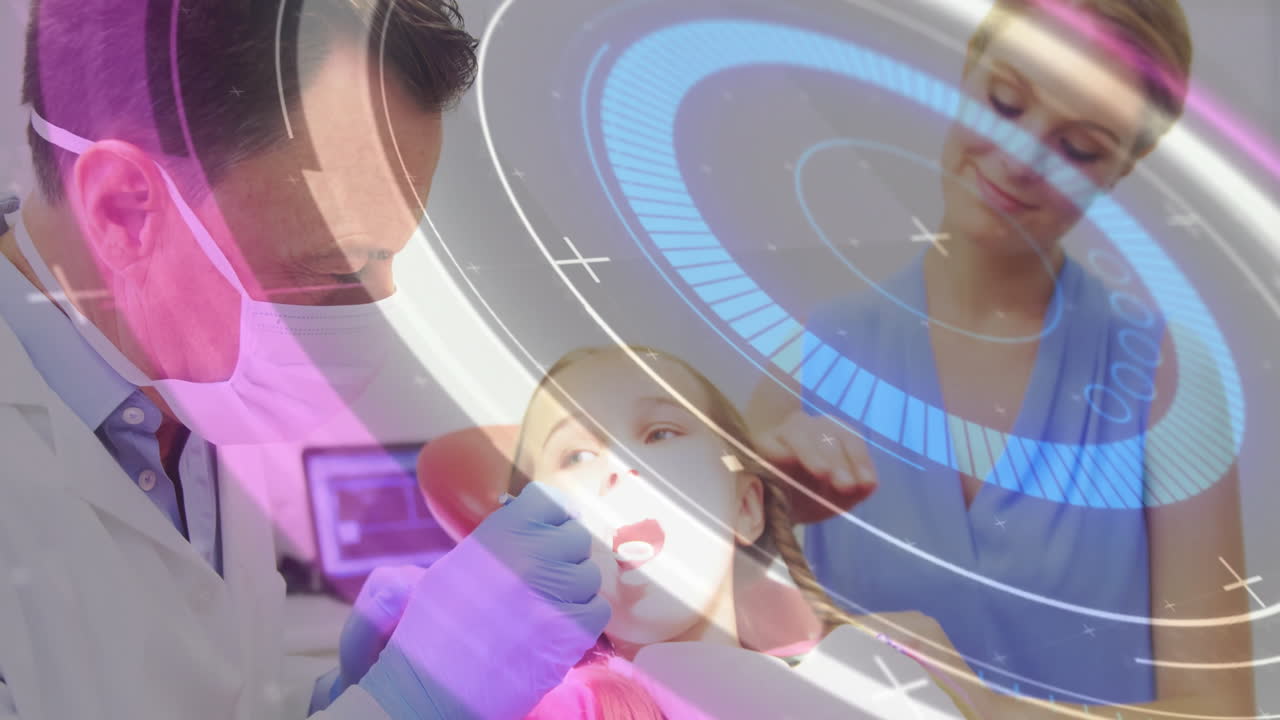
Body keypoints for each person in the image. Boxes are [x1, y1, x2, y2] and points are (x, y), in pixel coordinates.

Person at [0, 1, 607, 718]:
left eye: (392, 256)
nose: (380, 310)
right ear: (124, 213)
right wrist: (408, 702)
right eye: (341, 265)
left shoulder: (190, 387)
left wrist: (334, 699)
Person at [748, 0, 1256, 716]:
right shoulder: (810, 363)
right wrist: (754, 524)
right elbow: (711, 658)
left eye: (1080, 148)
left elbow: (1217, 709)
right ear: (966, 74)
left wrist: (972, 703)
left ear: (1122, 170)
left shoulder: (1170, 381)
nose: (1020, 158)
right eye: (1005, 101)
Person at [508, 345, 972, 719]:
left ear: (748, 507)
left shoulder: (883, 664)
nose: (624, 467)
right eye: (576, 457)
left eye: (661, 434)